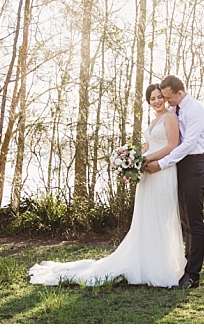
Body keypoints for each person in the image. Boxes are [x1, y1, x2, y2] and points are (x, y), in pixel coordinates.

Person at [28, 84, 185, 287]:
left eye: (159, 97)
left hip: (162, 172)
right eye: (152, 99)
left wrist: (144, 160)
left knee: (161, 216)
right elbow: (148, 146)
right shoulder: (154, 120)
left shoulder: (170, 117)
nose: (156, 101)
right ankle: (146, 264)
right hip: (148, 173)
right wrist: (134, 161)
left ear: (165, 97)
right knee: (147, 217)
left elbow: (172, 146)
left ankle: (162, 267)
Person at [145, 75, 204, 289]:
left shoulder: (195, 110)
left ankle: (193, 275)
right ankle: (186, 266)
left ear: (179, 93)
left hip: (195, 165)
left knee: (194, 221)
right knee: (186, 221)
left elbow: (188, 144)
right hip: (181, 165)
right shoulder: (175, 109)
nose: (166, 101)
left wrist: (161, 164)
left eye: (168, 97)